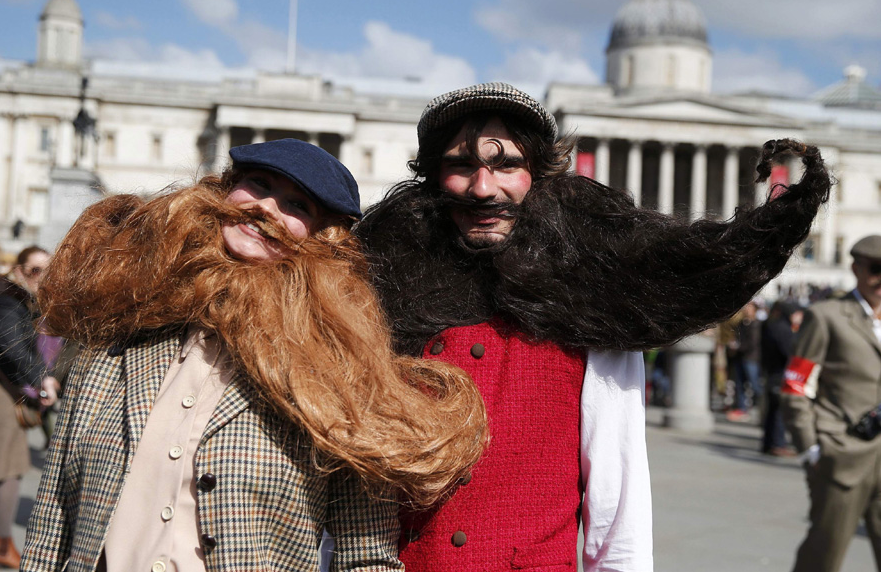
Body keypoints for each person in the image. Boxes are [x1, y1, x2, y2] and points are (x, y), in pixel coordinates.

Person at [355, 82, 831, 571]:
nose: (483, 188)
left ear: (539, 176)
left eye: (507, 164)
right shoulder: (382, 291)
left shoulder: (593, 298)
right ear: (433, 177)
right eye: (461, 165)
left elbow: (616, 489)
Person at [21, 139, 487, 572]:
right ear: (223, 191)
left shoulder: (338, 377)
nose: (267, 207)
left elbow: (364, 554)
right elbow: (53, 515)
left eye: (297, 205)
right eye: (259, 185)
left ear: (324, 240)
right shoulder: (123, 334)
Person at [782, 235, 881, 572]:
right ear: (856, 268)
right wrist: (811, 449)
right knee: (823, 557)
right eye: (875, 270)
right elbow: (796, 386)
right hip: (842, 454)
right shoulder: (826, 316)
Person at [0, 245, 57, 569]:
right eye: (36, 270)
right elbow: (12, 349)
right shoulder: (6, 297)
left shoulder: (21, 297)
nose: (42, 278)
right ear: (19, 269)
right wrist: (42, 379)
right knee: (9, 467)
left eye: (47, 271)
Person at [760, 301, 801, 456]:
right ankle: (777, 443)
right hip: (780, 374)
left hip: (771, 372)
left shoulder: (771, 326)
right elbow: (789, 353)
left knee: (773, 410)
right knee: (779, 411)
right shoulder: (783, 330)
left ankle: (768, 443)